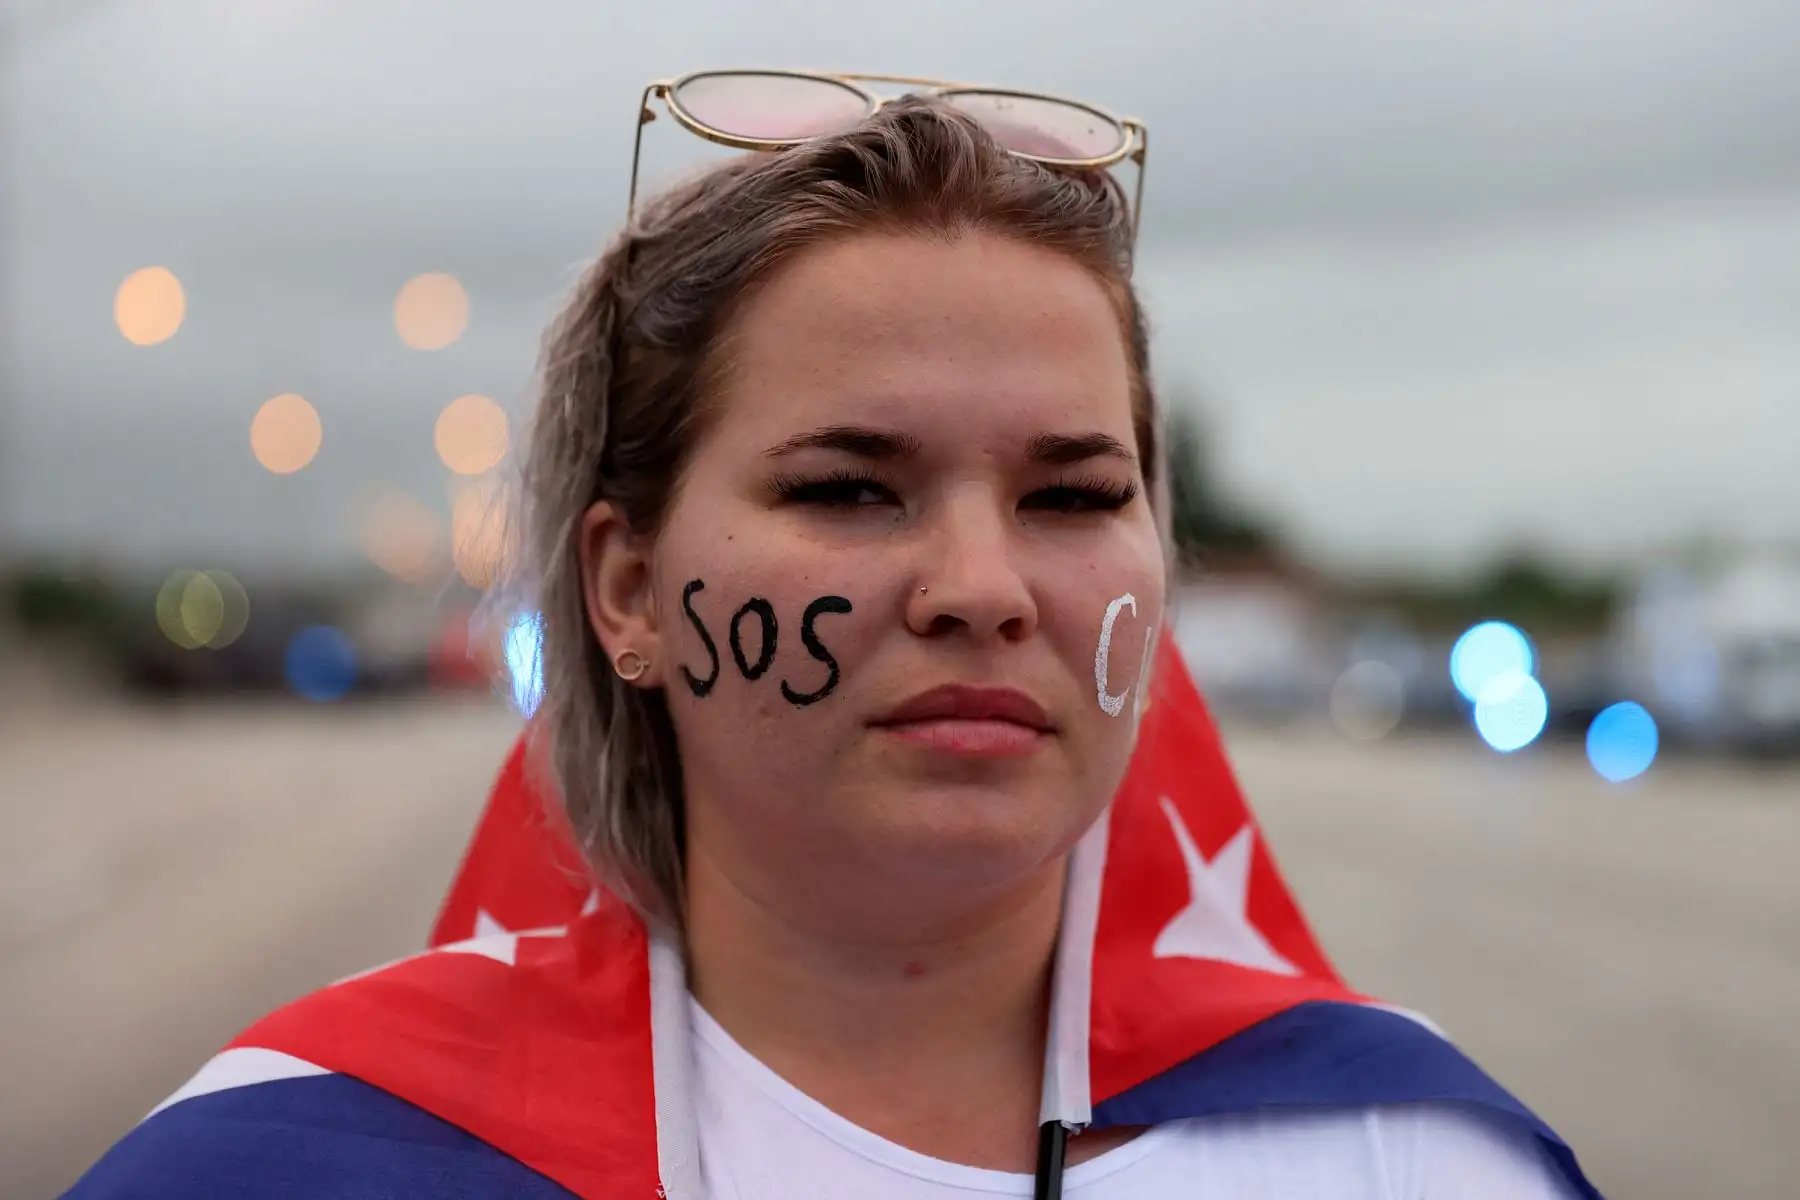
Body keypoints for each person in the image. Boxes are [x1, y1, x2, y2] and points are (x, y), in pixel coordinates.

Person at [68, 74, 1600, 1199]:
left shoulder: (1411, 1154)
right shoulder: (294, 1159)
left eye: (1073, 496)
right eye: (852, 487)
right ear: (626, 589)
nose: (981, 585)